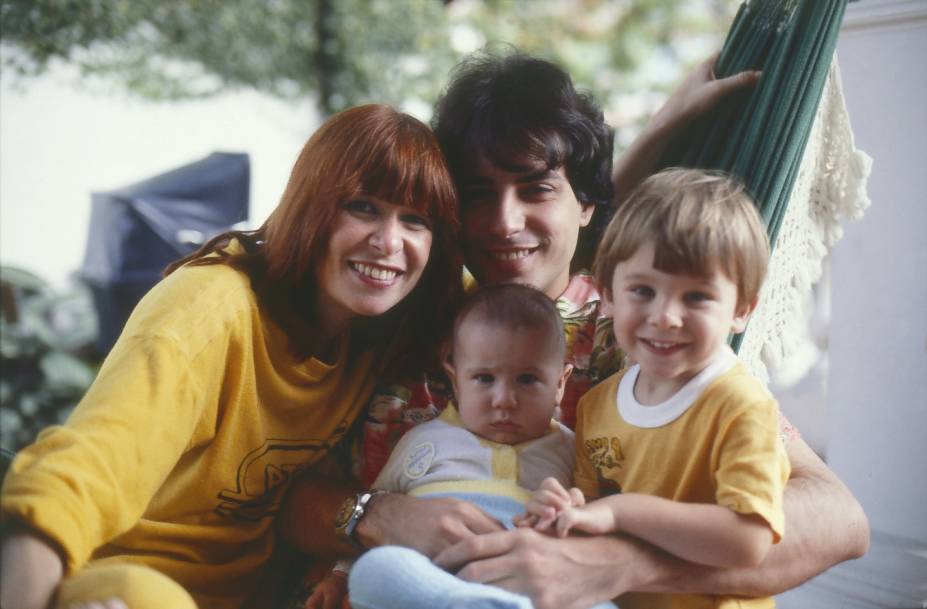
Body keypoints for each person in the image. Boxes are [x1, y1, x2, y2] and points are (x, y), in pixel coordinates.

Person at [279, 51, 869, 609]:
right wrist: (376, 513)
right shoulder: (402, 312)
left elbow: (839, 519)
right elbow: (288, 496)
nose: (505, 223)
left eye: (535, 189)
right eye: (478, 195)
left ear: (587, 205)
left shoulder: (640, 336)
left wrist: (623, 561)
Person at [0, 104, 463, 609]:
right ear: (310, 205)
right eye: (363, 207)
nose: (388, 242)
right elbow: (87, 467)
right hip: (118, 582)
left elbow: (516, 303)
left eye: (414, 220)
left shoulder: (378, 332)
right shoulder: (210, 308)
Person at [520, 168, 791, 609]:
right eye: (643, 290)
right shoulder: (597, 405)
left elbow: (748, 540)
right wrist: (565, 513)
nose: (665, 316)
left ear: (741, 309)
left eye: (697, 297)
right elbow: (594, 511)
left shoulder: (741, 406)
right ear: (608, 295)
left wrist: (620, 511)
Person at [308, 283, 615, 609]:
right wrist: (340, 574)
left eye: (527, 379)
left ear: (560, 384)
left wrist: (568, 514)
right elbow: (375, 518)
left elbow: (594, 523)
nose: (504, 400)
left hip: (532, 580)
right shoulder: (423, 440)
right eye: (484, 378)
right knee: (377, 571)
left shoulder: (571, 449)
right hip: (435, 577)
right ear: (455, 380)